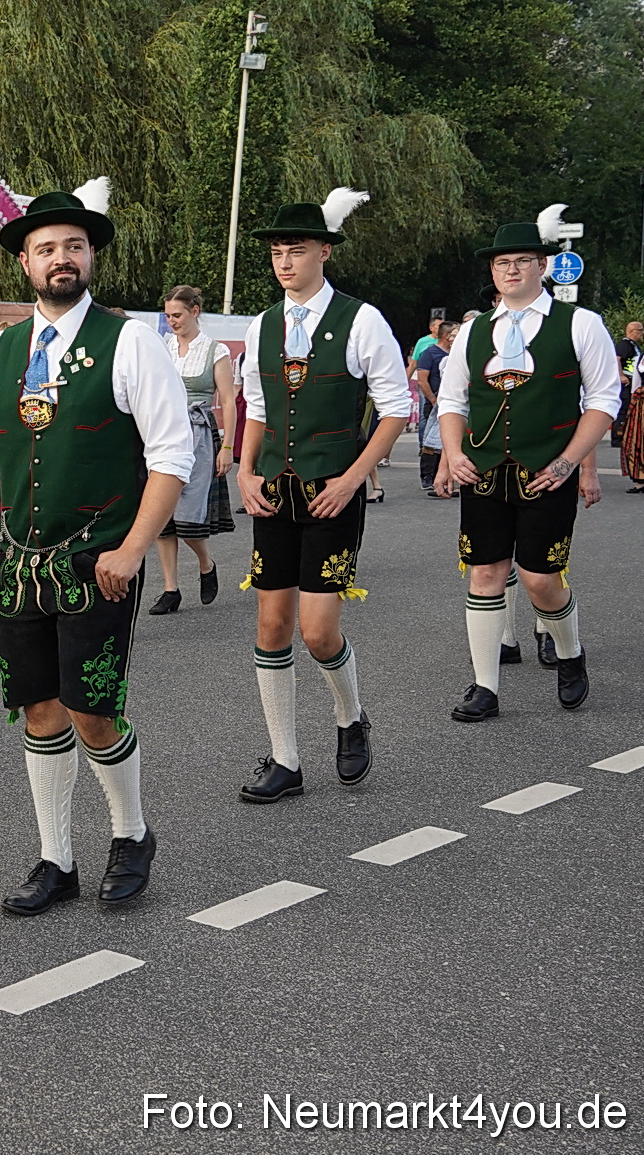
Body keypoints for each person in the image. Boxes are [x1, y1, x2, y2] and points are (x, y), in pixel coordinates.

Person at [0, 180, 189, 915]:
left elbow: (171, 456)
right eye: (47, 247)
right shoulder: (0, 350)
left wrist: (134, 549)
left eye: (75, 246)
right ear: (24, 263)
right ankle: (56, 857)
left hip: (100, 563)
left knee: (93, 710)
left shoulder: (130, 342)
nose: (63, 258)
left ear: (92, 258)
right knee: (39, 708)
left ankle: (131, 833)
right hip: (18, 561)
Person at [236, 189, 409, 804]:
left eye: (297, 250)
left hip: (334, 489)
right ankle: (284, 758)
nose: (285, 262)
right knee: (271, 622)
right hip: (274, 491)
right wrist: (244, 469)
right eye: (278, 253)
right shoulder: (263, 325)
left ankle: (350, 716)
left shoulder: (361, 320)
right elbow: (255, 406)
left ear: (324, 253)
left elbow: (394, 410)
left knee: (316, 632)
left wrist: (353, 478)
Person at [436, 206, 619, 722]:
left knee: (540, 578)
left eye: (522, 261)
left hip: (547, 467)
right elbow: (452, 402)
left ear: (543, 266)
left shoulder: (579, 324)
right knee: (486, 570)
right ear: (492, 273)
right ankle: (485, 685)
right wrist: (453, 454)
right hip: (486, 469)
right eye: (502, 263)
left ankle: (569, 653)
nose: (511, 270)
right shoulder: (474, 333)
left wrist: (569, 463)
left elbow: (605, 399)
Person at [149, 285, 236, 615]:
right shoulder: (163, 347)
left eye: (178, 315)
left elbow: (228, 401)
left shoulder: (216, 350)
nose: (172, 321)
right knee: (161, 518)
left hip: (199, 436)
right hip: (163, 434)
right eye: (168, 315)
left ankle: (206, 563)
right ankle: (171, 589)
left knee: (188, 518)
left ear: (195, 311)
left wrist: (227, 447)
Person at [414, 321, 459, 494]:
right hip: (434, 403)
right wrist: (433, 399)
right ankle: (427, 476)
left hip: (451, 403)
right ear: (448, 336)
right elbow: (422, 379)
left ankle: (446, 478)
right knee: (430, 440)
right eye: (454, 334)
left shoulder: (456, 354)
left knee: (447, 441)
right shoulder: (430, 353)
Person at [620, 321, 644, 492]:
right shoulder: (642, 357)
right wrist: (633, 400)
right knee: (637, 438)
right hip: (641, 400)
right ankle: (641, 480)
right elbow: (636, 381)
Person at [611, 320, 642, 448]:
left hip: (632, 380)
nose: (642, 333)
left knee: (628, 408)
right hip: (625, 381)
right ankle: (618, 437)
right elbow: (617, 359)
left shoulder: (634, 345)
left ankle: (626, 435)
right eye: (640, 330)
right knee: (623, 409)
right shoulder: (625, 344)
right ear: (631, 331)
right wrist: (621, 375)